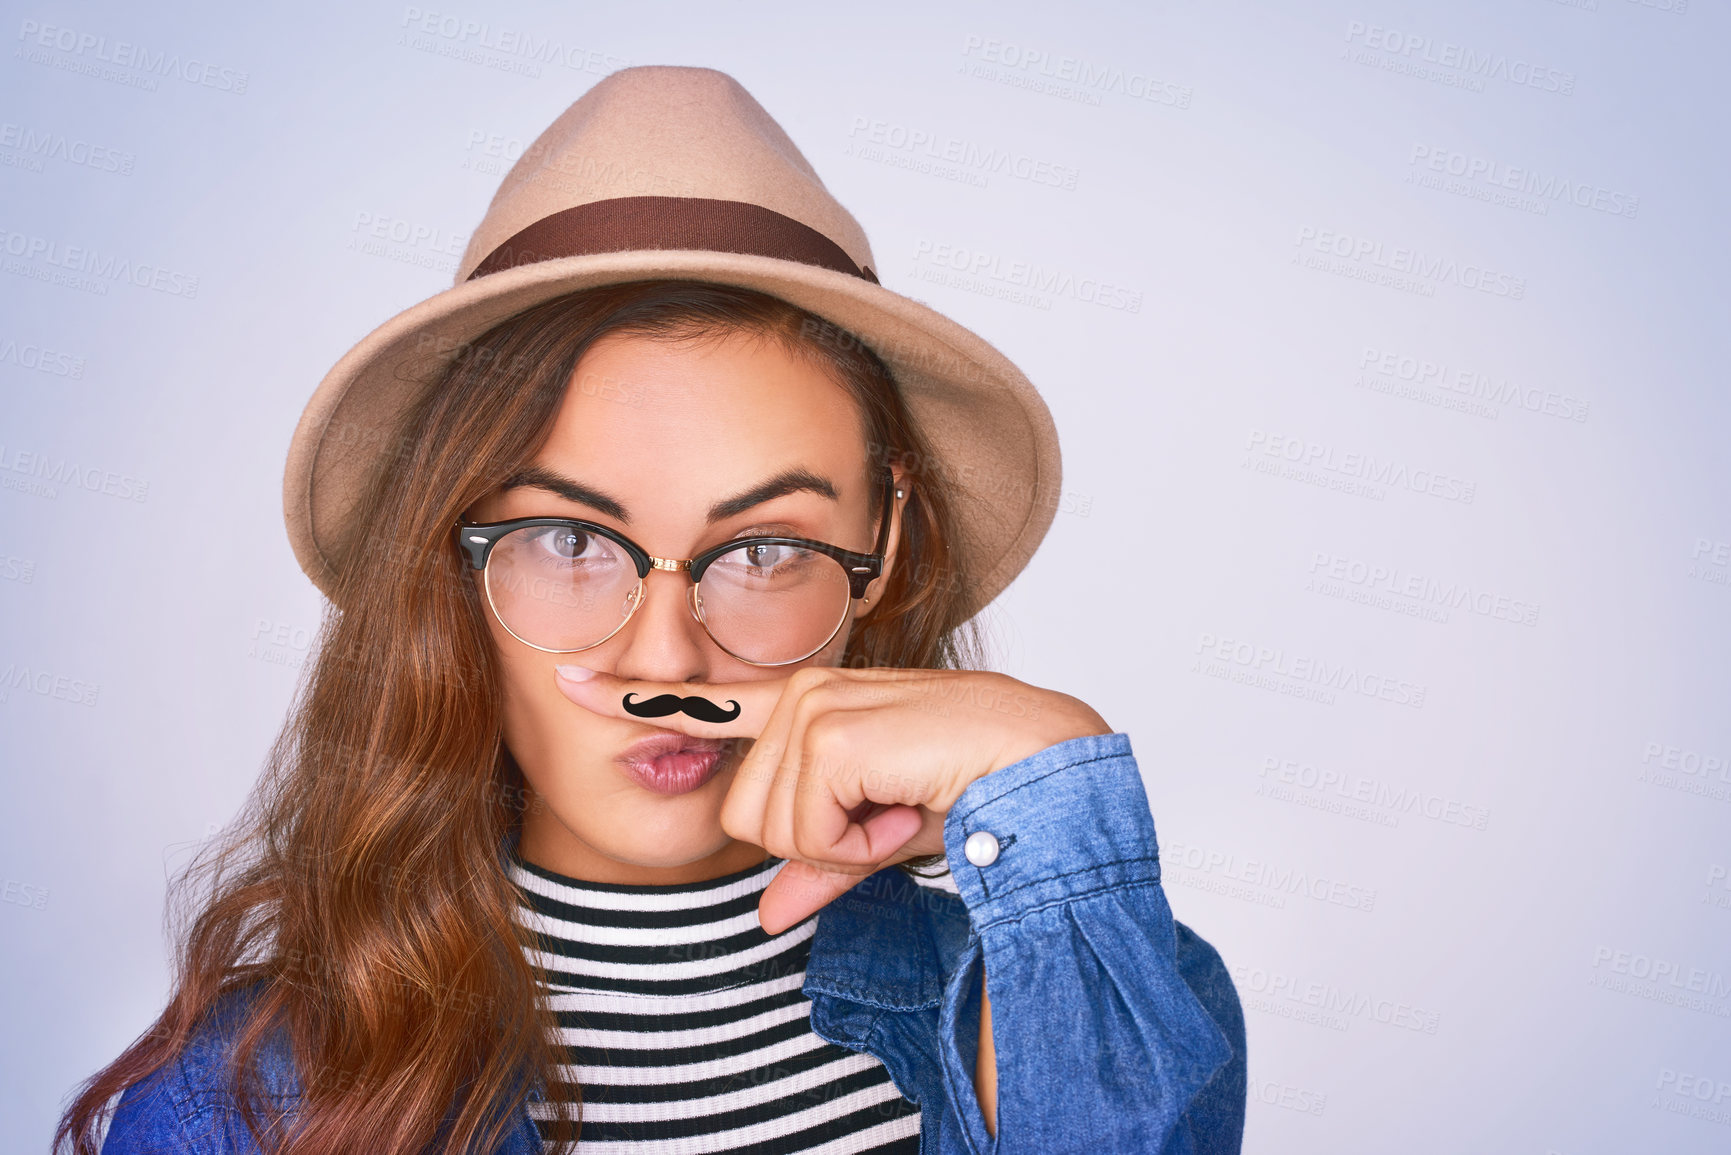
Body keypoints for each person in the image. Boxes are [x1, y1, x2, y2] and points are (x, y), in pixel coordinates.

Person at [56, 66, 1246, 1154]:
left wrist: (1050, 787)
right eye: (570, 541)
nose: (664, 656)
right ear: (448, 563)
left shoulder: (1089, 999)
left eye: (765, 547)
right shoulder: (244, 1110)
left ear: (880, 543)